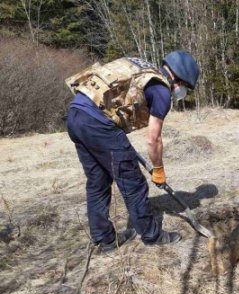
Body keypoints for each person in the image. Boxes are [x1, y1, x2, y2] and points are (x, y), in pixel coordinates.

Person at [65, 51, 200, 252]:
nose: (183, 92)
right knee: (133, 182)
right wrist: (158, 169)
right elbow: (154, 139)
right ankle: (151, 235)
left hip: (75, 113)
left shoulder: (140, 67)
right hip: (97, 122)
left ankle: (105, 239)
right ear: (179, 79)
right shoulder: (162, 90)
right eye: (186, 88)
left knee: (98, 181)